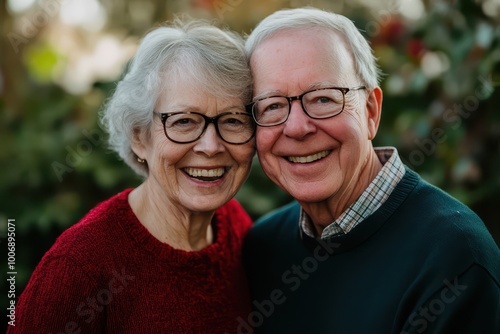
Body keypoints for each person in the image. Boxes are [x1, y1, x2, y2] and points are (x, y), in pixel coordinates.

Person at [242, 7, 500, 334]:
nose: (297, 127)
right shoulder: (261, 247)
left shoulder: (454, 257)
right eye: (273, 106)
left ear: (371, 112)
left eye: (323, 99)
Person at [9, 18, 256, 333]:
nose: (210, 146)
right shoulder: (81, 264)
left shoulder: (233, 225)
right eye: (184, 121)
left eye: (234, 120)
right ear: (140, 136)